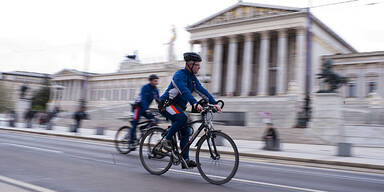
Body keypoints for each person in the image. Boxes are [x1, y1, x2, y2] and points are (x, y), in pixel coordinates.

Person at [159, 52, 222, 169]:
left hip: (178, 108)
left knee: (186, 131)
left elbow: (202, 90)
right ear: (190, 64)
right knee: (182, 118)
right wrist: (194, 102)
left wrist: (214, 103)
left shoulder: (193, 78)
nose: (199, 67)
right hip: (167, 105)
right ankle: (166, 140)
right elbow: (184, 90)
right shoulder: (179, 75)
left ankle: (185, 160)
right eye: (197, 65)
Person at [128, 74, 160, 149]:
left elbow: (158, 100)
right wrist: (147, 109)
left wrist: (162, 109)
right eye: (155, 81)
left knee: (154, 120)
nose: (157, 82)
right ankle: (131, 142)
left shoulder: (156, 90)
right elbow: (143, 100)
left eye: (157, 81)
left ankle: (143, 128)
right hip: (138, 107)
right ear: (151, 81)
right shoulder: (145, 88)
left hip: (146, 108)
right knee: (135, 124)